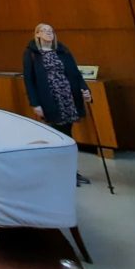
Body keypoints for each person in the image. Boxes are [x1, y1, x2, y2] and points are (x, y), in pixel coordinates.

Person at [22, 22, 92, 186]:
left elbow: (75, 74)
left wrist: (86, 90)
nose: (48, 33)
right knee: (57, 136)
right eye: (44, 31)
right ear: (37, 34)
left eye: (51, 31)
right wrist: (35, 103)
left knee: (68, 135)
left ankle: (70, 171)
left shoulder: (63, 51)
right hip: (50, 99)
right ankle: (61, 172)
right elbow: (29, 80)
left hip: (68, 96)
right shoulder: (31, 54)